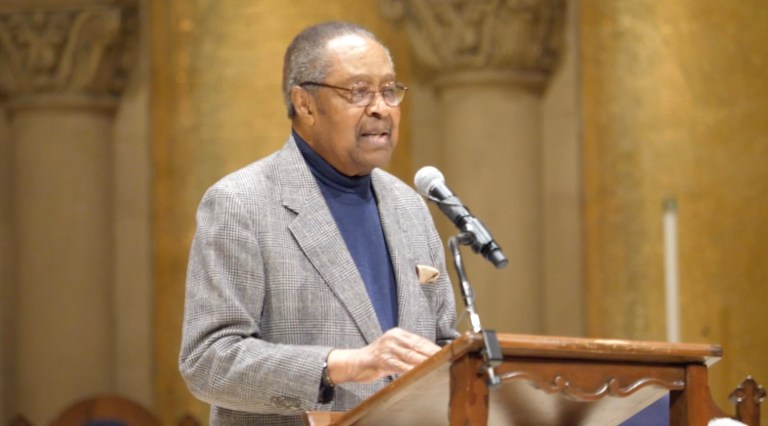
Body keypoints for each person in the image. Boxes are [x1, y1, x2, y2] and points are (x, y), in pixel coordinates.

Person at [179, 21, 459, 425]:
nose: (380, 107)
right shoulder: (241, 203)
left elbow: (443, 344)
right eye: (359, 92)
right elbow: (208, 361)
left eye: (388, 90)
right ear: (305, 104)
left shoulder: (409, 206)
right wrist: (339, 365)